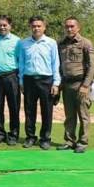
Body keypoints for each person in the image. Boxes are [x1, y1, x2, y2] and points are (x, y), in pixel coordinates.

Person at [18, 15, 60, 150]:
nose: (36, 28)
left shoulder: (51, 43)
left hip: (46, 80)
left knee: (46, 111)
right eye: (34, 26)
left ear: (44, 27)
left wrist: (56, 83)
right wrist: (21, 81)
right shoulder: (23, 43)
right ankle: (30, 137)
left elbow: (55, 63)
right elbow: (21, 63)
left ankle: (45, 138)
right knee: (29, 111)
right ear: (30, 27)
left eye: (39, 26)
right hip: (29, 80)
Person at [57, 17, 94, 153]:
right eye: (67, 26)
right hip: (67, 84)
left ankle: (82, 142)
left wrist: (86, 85)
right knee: (69, 116)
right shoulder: (61, 43)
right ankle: (69, 141)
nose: (69, 29)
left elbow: (92, 66)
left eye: (72, 26)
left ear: (78, 27)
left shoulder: (85, 43)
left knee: (83, 115)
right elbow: (59, 65)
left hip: (81, 84)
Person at [0, 14, 21, 145]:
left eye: (5, 25)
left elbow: (20, 60)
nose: (2, 27)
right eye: (0, 25)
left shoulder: (17, 41)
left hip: (12, 76)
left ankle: (13, 135)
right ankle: (0, 134)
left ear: (10, 26)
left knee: (14, 107)